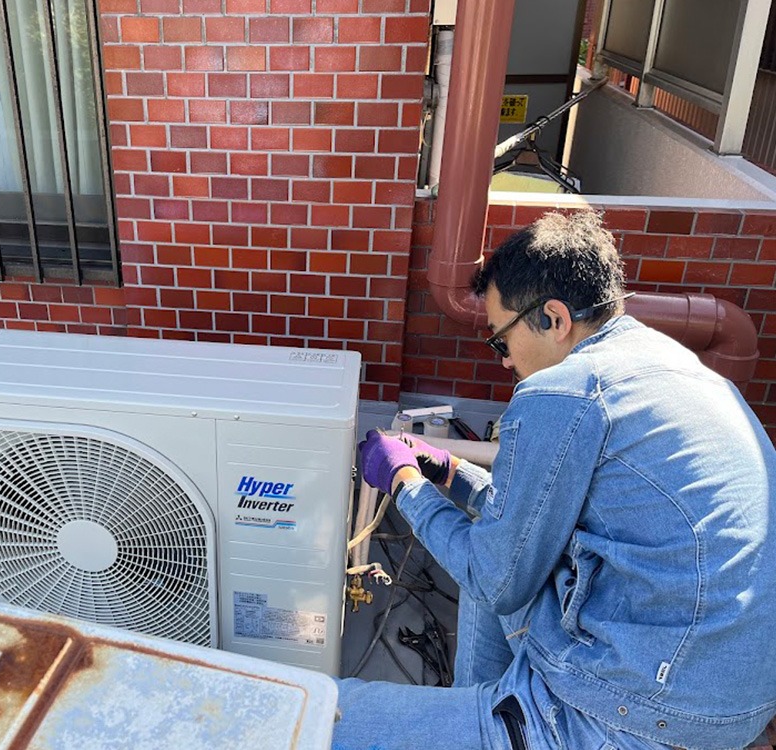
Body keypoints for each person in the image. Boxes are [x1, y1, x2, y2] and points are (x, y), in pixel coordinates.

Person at [332, 211, 776, 750]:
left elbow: (493, 578)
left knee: (327, 718)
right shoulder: (672, 365)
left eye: (501, 341)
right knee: (496, 550)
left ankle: (499, 727)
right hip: (729, 697)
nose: (504, 362)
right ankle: (478, 710)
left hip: (633, 716)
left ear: (554, 318)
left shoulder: (564, 392)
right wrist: (450, 472)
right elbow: (520, 528)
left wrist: (405, 482)